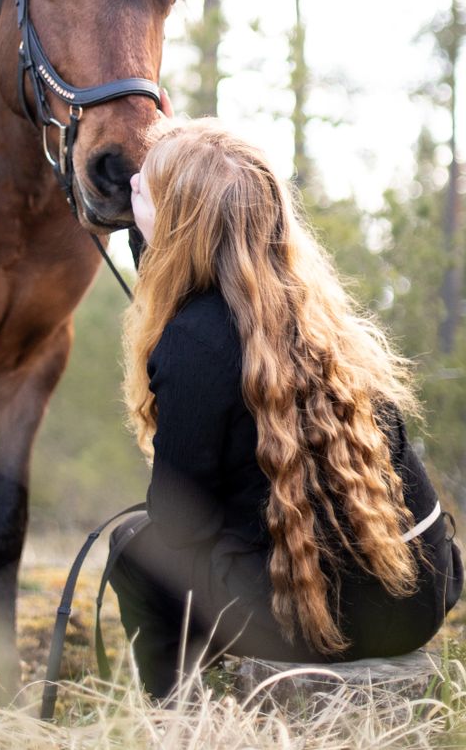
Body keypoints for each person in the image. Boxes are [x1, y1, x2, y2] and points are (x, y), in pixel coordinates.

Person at [109, 116, 463, 700]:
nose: (133, 185)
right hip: (417, 601)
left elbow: (179, 524)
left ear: (180, 225)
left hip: (311, 625)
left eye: (147, 184)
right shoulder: (328, 322)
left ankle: (177, 726)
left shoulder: (194, 341)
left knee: (135, 550)